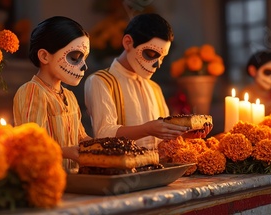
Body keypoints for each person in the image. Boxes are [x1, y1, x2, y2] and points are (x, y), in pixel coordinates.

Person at [84, 13, 212, 149]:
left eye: (162, 57)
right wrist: (147, 129)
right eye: (151, 54)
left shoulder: (154, 88)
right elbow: (103, 134)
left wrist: (183, 135)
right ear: (128, 42)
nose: (158, 64)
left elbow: (162, 138)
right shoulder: (100, 81)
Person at [13, 16, 92, 170]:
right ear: (44, 56)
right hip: (46, 180)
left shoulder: (69, 96)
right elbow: (30, 147)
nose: (84, 67)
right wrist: (64, 152)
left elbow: (81, 137)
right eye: (75, 57)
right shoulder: (32, 91)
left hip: (76, 181)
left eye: (85, 58)